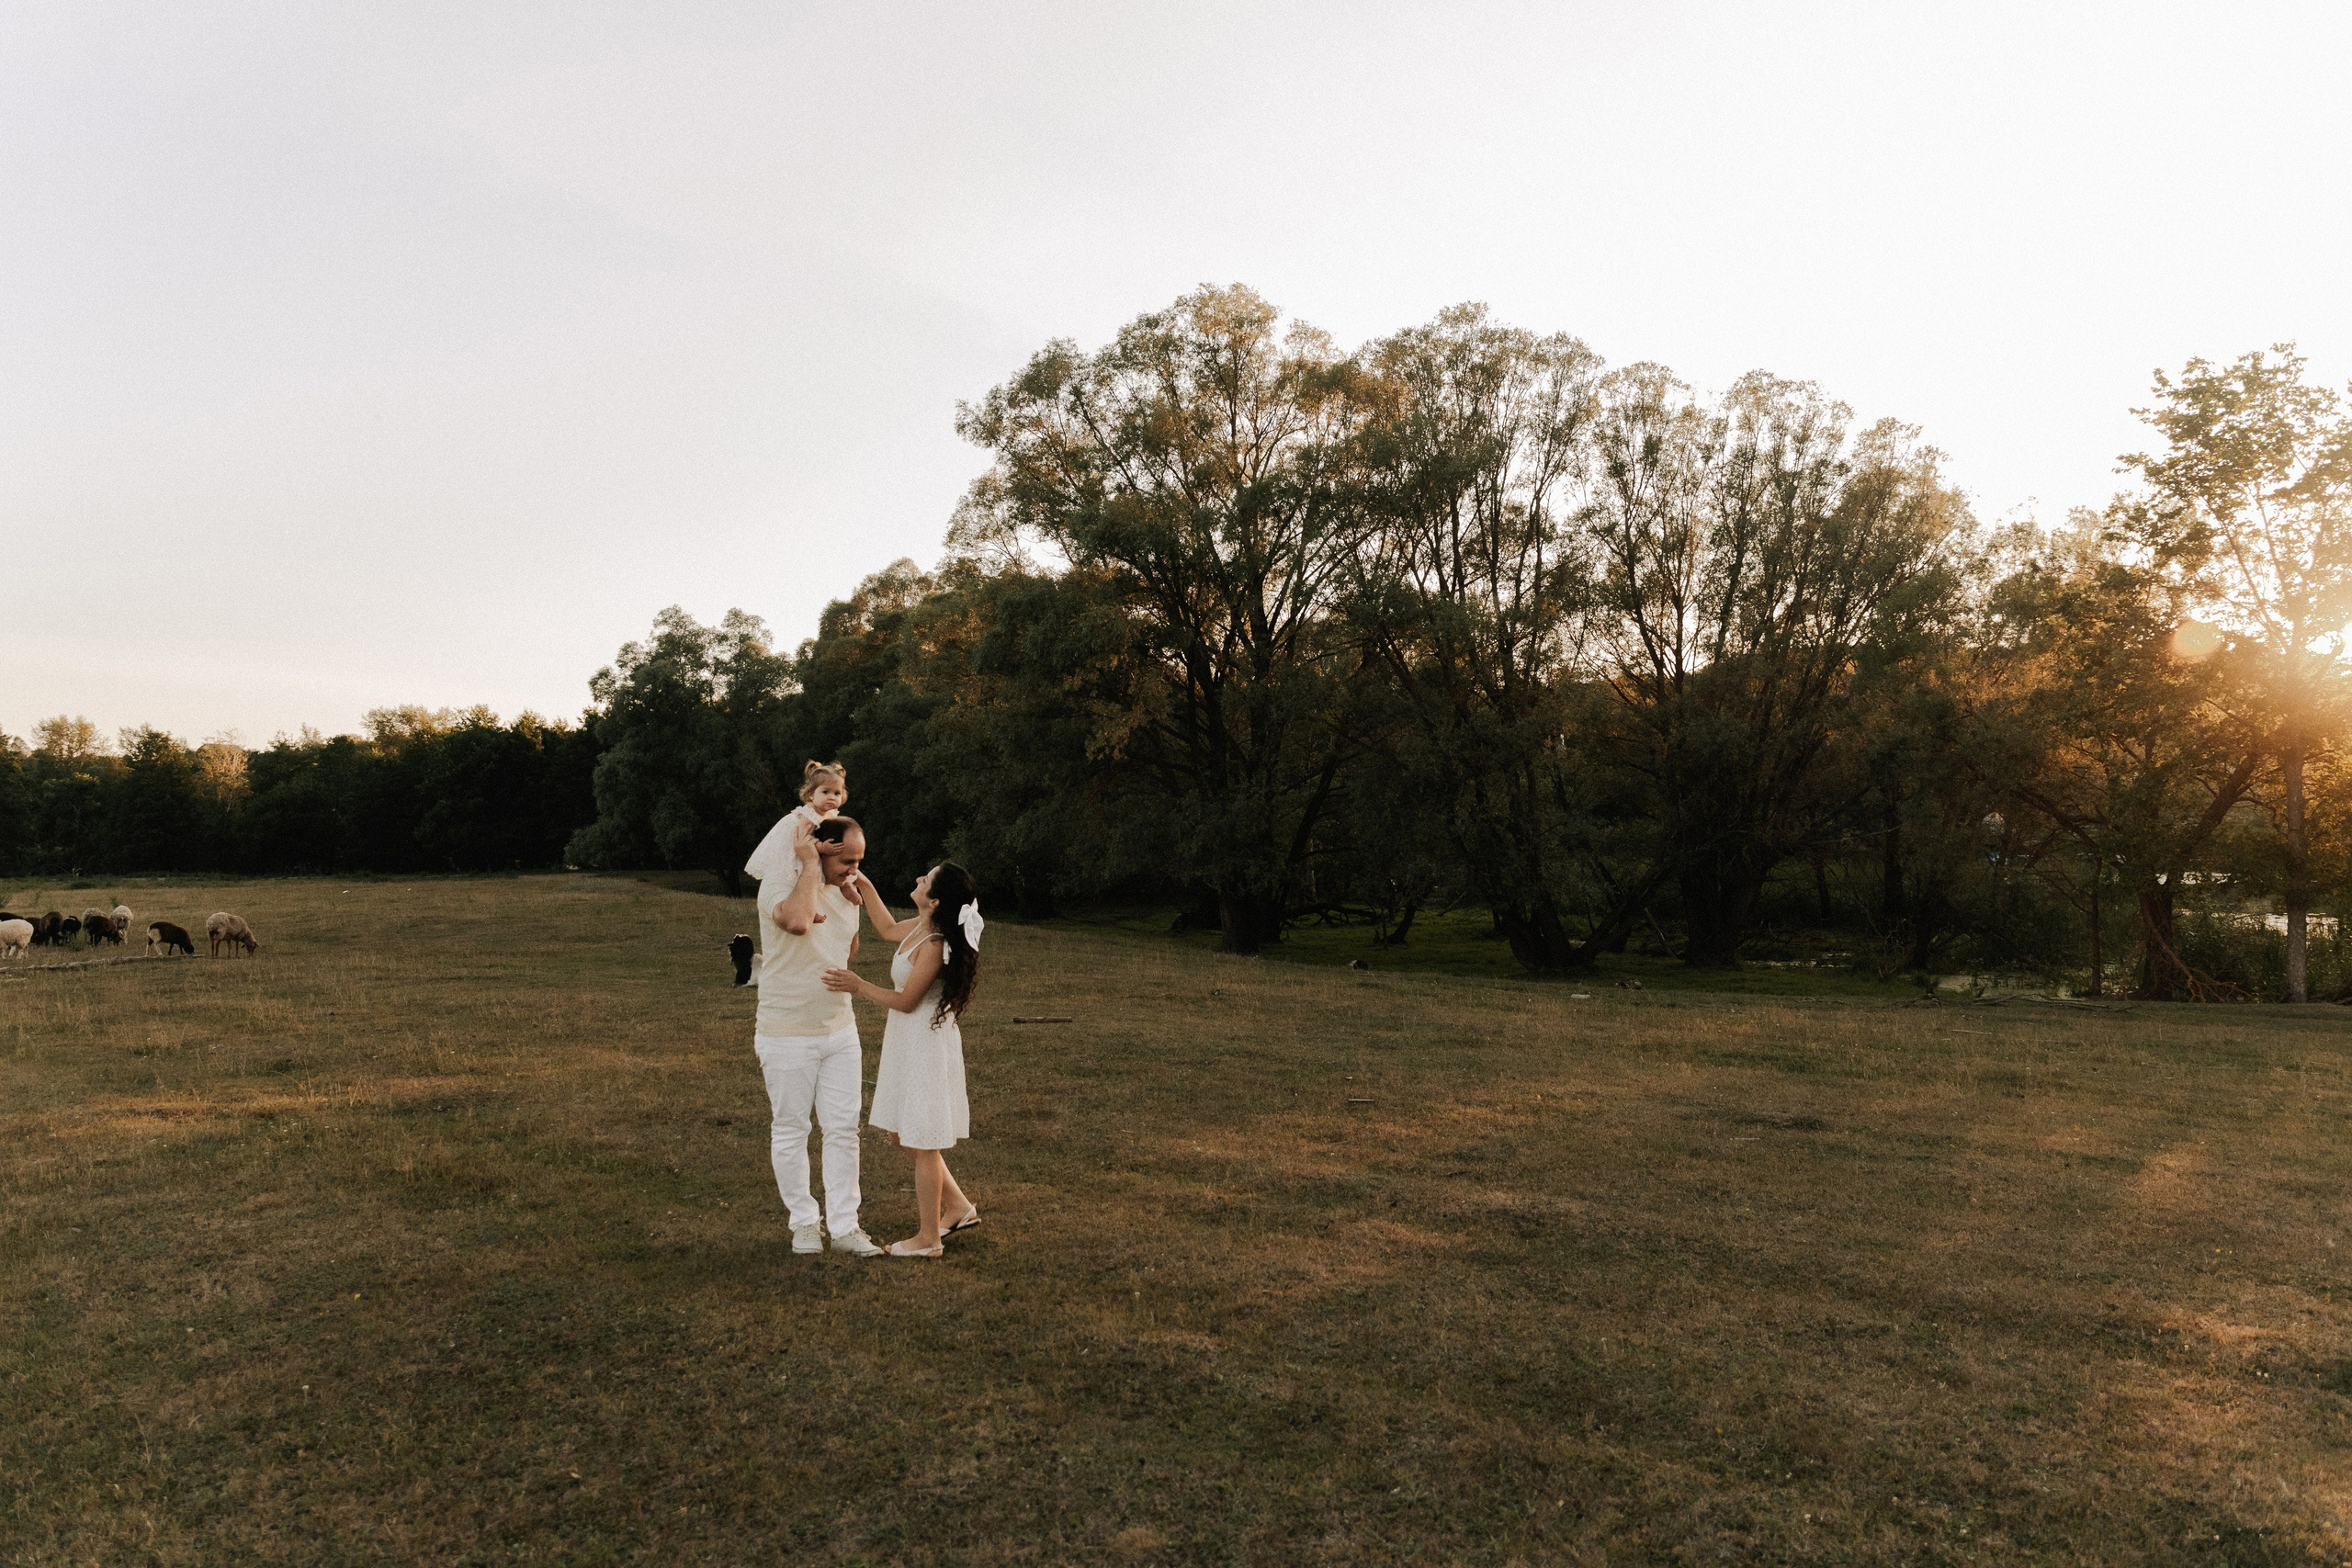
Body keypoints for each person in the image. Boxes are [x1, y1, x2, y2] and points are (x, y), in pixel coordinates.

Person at [741, 809, 885, 1258]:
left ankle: (846, 1227)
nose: (854, 871)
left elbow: (849, 946)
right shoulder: (780, 886)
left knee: (844, 1130)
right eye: (846, 861)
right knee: (791, 1129)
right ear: (820, 848)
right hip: (787, 1031)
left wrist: (844, 889)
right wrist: (807, 865)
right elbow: (800, 923)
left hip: (839, 1030)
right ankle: (804, 1223)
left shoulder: (847, 893)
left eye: (859, 861)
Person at [823, 862, 983, 1259]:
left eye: (925, 880)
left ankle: (928, 1239)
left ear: (935, 900)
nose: (917, 880)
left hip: (924, 1046)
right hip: (909, 1042)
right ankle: (960, 1207)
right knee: (900, 1133)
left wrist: (858, 986)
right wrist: (866, 884)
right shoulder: (923, 925)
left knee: (922, 1139)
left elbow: (907, 1002)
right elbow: (887, 928)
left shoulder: (934, 943)